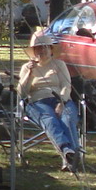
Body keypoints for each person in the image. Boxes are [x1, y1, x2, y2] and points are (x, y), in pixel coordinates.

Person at [17, 28, 83, 172]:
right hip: (38, 102)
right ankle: (67, 151)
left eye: (46, 47)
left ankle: (69, 159)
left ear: (52, 49)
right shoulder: (27, 68)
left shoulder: (59, 64)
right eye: (39, 48)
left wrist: (62, 101)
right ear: (34, 51)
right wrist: (29, 74)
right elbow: (22, 93)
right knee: (50, 120)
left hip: (61, 99)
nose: (43, 50)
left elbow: (66, 86)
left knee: (67, 119)